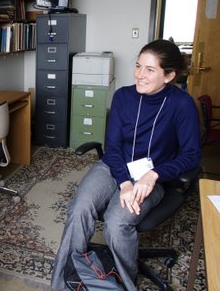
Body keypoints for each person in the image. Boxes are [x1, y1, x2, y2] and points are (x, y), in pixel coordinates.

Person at [51, 39, 201, 290]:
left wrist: (154, 175)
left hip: (151, 177)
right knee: (79, 208)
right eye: (138, 66)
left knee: (116, 222)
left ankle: (124, 284)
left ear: (169, 75)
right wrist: (123, 183)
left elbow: (191, 155)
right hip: (114, 166)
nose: (140, 75)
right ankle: (63, 281)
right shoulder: (123, 97)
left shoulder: (182, 105)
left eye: (150, 70)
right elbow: (113, 147)